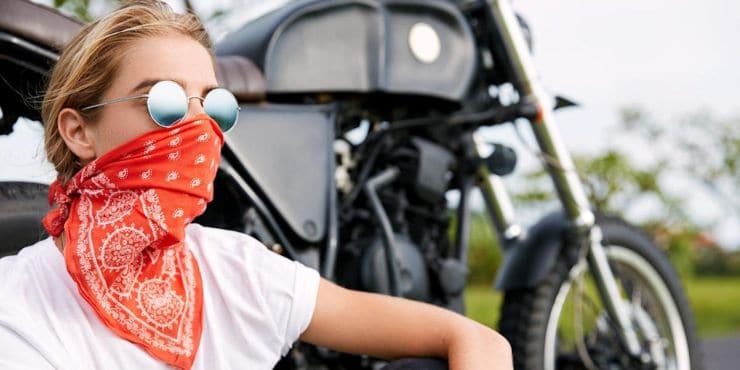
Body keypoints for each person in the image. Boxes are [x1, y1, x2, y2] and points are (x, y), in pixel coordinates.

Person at [0, 1, 513, 369]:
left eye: (214, 105)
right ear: (78, 131)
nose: (198, 129)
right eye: (164, 101)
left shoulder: (237, 271)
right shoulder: (16, 306)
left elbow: (476, 340)